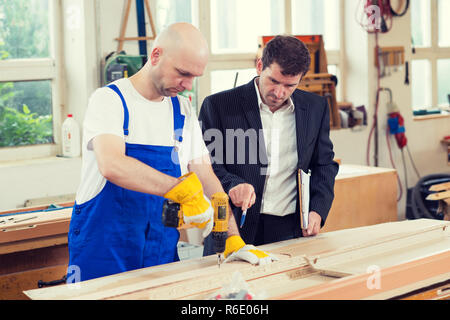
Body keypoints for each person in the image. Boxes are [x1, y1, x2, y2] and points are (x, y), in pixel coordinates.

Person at [67, 23, 275, 283]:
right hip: (105, 249)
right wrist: (182, 189)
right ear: (156, 55)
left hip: (159, 250)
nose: (187, 84)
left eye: (194, 77)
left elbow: (205, 175)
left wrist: (231, 235)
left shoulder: (182, 110)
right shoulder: (110, 100)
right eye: (182, 73)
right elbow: (113, 165)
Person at [199, 35, 339, 254]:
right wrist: (232, 184)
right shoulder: (219, 106)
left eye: (289, 86)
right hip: (235, 225)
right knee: (226, 288)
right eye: (273, 81)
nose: (279, 93)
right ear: (259, 66)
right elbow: (206, 166)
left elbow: (324, 165)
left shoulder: (315, 108)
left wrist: (317, 210)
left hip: (289, 229)